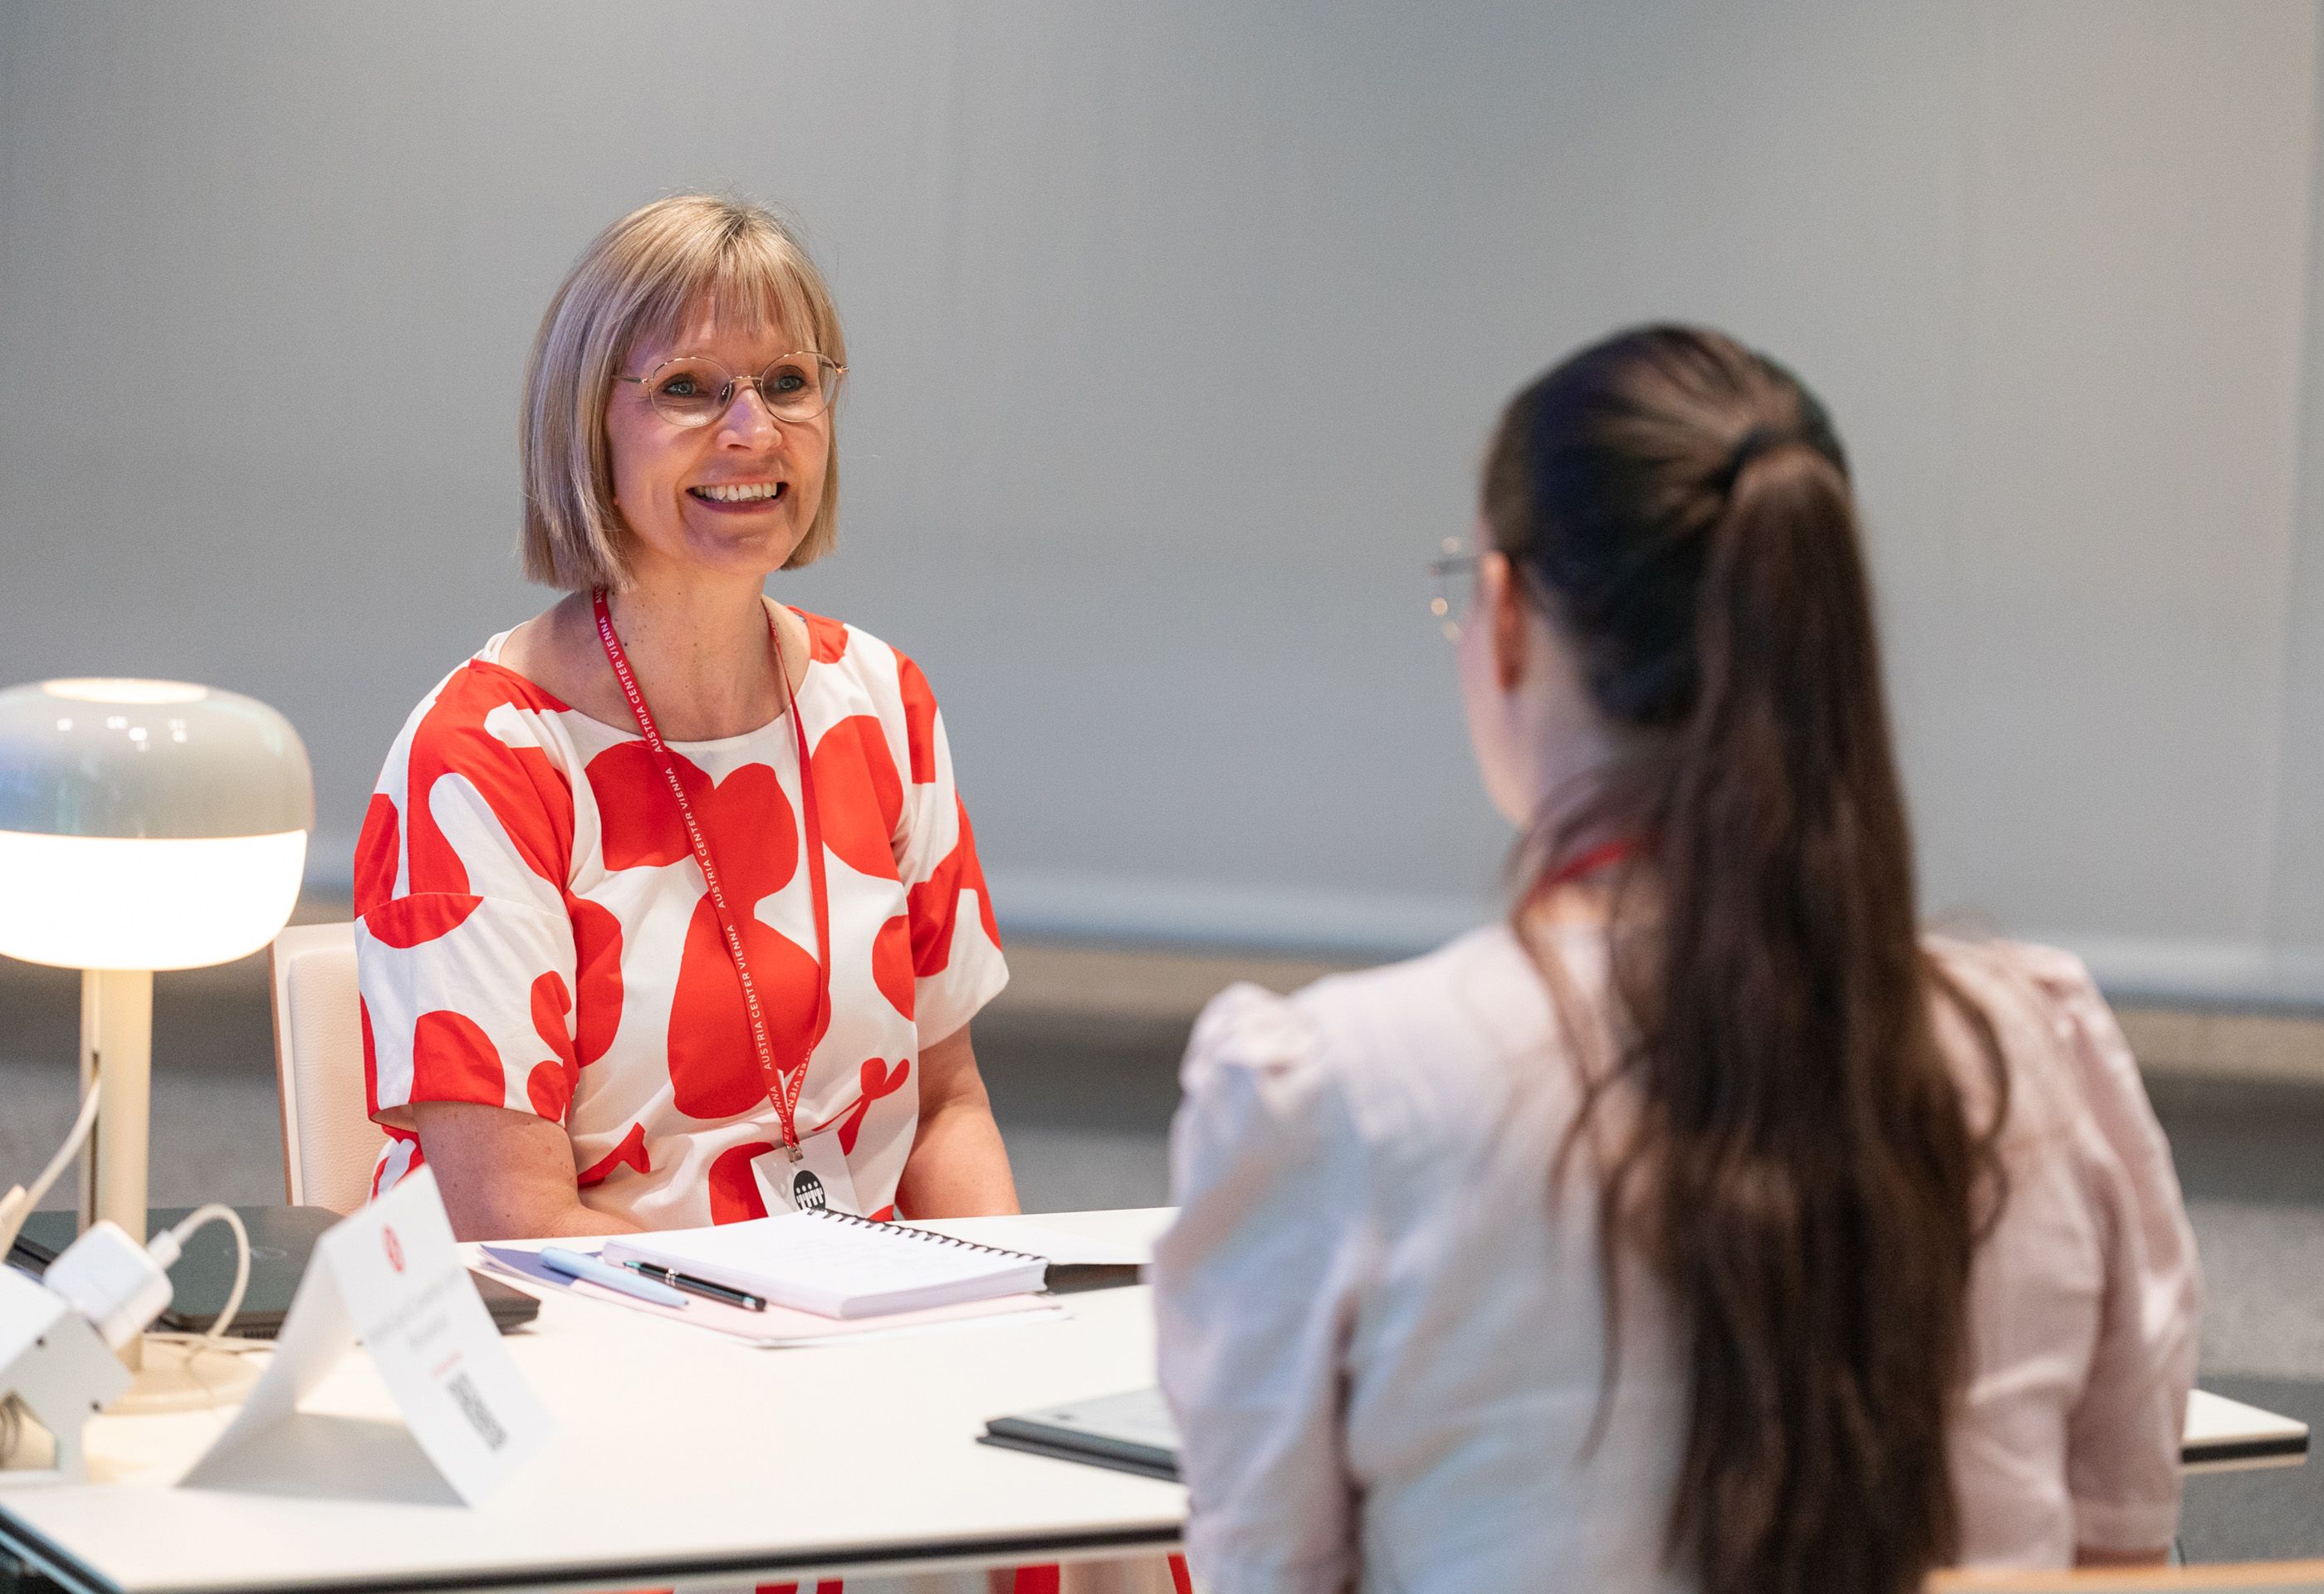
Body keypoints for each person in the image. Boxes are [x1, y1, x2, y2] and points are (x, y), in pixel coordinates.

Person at [1152, 326, 2199, 1594]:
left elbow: (1267, 1576)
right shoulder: (2031, 1052)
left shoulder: (1343, 1094)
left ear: (1507, 620)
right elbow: (2124, 1557)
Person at [355, 195, 1017, 1238]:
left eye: (789, 384)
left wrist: (996, 1311)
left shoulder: (883, 703)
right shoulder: (480, 759)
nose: (753, 431)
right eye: (687, 390)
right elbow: (514, 1225)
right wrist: (802, 1328)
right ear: (589, 430)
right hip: (588, 1343)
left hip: (861, 1329)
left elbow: (946, 1113)